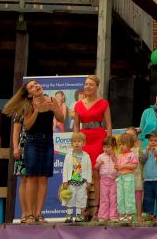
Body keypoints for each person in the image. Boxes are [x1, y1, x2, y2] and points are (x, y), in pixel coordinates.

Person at [2, 79, 64, 224]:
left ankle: (38, 214)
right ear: (29, 94)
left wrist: (54, 108)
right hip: (32, 142)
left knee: (43, 178)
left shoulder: (51, 99)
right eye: (31, 86)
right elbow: (28, 126)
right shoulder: (28, 105)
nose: (36, 86)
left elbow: (61, 118)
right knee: (31, 177)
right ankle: (28, 214)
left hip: (48, 142)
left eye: (36, 84)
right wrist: (36, 109)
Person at [73, 75, 111, 218]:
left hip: (99, 137)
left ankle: (98, 208)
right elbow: (76, 125)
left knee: (97, 174)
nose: (87, 87)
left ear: (96, 87)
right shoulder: (78, 105)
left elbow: (108, 124)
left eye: (91, 85)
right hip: (84, 139)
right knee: (82, 174)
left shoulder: (103, 103)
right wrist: (76, 141)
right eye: (86, 84)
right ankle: (84, 208)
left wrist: (109, 143)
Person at [61, 132, 92, 223]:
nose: (77, 143)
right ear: (71, 144)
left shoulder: (86, 156)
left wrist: (89, 181)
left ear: (84, 143)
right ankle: (69, 216)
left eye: (79, 141)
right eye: (74, 141)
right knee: (70, 199)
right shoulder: (68, 156)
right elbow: (65, 169)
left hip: (82, 183)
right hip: (71, 183)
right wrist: (65, 181)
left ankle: (78, 216)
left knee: (80, 199)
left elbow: (89, 169)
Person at [140, 130, 157, 220]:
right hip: (147, 179)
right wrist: (146, 152)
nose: (153, 142)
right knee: (148, 197)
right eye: (151, 140)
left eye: (155, 140)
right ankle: (148, 213)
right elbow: (141, 161)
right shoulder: (145, 151)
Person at [94, 136, 119, 222]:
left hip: (114, 181)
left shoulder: (117, 156)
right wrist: (98, 164)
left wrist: (114, 158)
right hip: (104, 181)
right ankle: (103, 216)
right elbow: (95, 167)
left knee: (113, 198)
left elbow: (119, 166)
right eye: (104, 147)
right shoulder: (101, 156)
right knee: (104, 198)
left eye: (108, 147)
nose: (106, 149)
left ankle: (113, 216)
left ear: (114, 147)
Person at [116, 132, 138, 223]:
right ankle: (122, 214)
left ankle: (129, 214)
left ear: (130, 144)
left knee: (129, 196)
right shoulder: (120, 155)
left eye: (123, 144)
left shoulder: (132, 155)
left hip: (128, 177)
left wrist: (124, 166)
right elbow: (118, 166)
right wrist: (117, 167)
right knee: (120, 196)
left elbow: (134, 166)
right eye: (120, 144)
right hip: (121, 178)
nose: (121, 146)